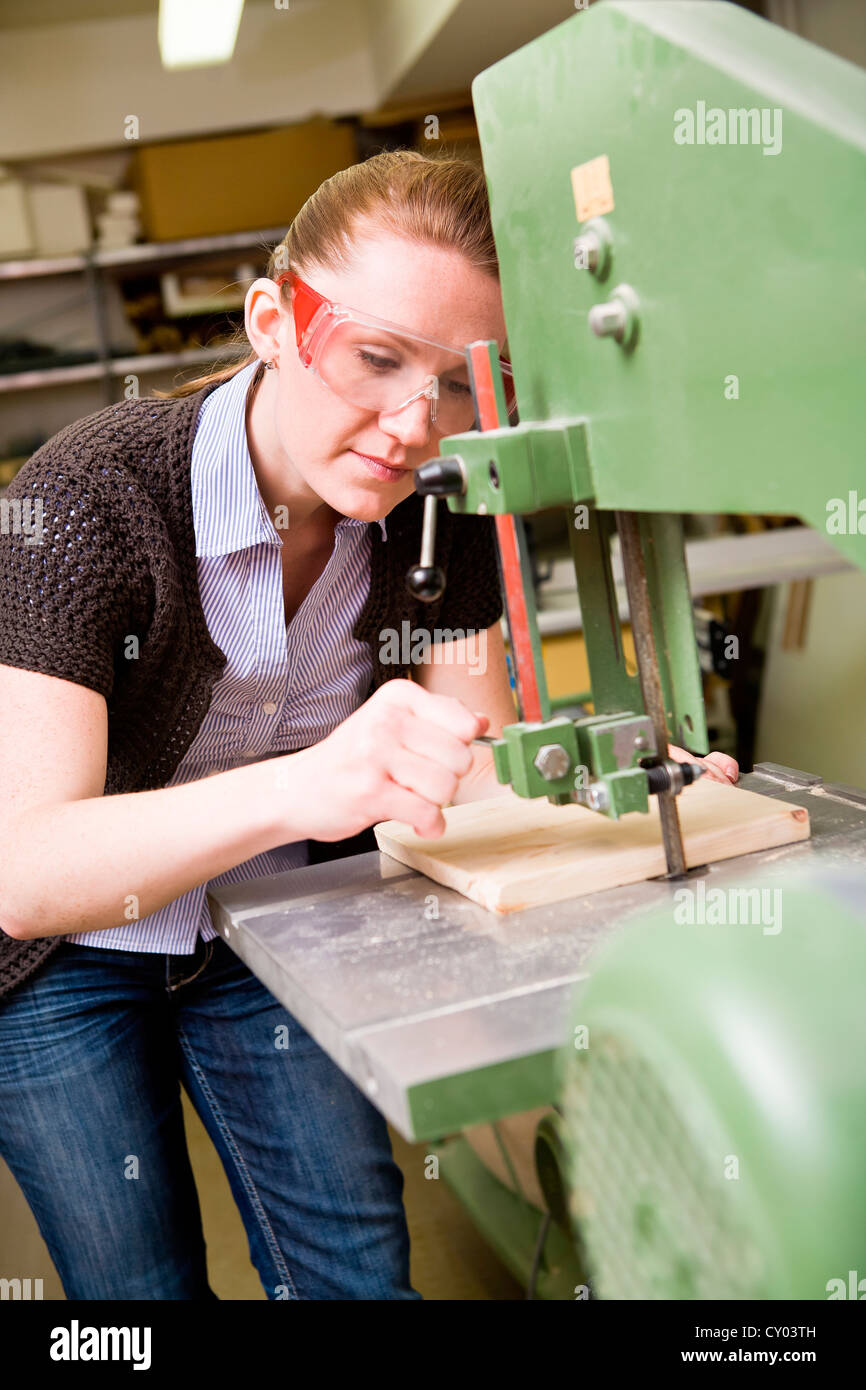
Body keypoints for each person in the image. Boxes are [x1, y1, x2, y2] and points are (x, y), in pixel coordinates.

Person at [0, 149, 738, 1302]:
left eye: (458, 384)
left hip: (284, 925)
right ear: (271, 321)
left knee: (355, 1271)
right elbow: (24, 871)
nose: (410, 425)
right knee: (135, 1292)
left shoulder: (430, 518)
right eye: (375, 358)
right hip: (67, 955)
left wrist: (627, 789)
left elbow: (477, 773)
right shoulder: (86, 501)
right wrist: (303, 786)